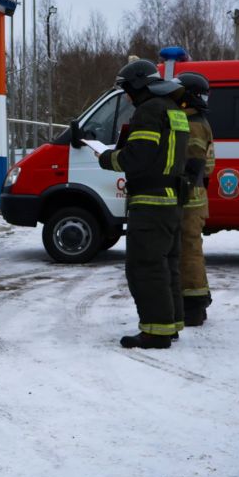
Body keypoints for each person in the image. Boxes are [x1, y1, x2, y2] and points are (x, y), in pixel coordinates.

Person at [98, 59, 188, 349]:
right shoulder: (175, 111)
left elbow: (138, 157)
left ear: (138, 85)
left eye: (127, 89)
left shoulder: (149, 111)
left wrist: (107, 157)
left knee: (145, 266)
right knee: (166, 265)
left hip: (150, 203)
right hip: (171, 200)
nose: (126, 96)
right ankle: (170, 323)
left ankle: (156, 331)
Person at [177, 72, 216, 327]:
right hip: (196, 196)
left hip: (189, 198)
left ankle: (193, 306)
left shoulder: (192, 125)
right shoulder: (200, 121)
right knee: (191, 250)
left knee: (188, 252)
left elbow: (191, 165)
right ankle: (197, 302)